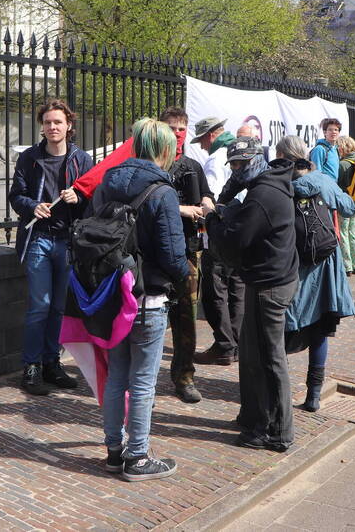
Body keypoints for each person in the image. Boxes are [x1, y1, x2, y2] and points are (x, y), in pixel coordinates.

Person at [91, 117, 189, 481]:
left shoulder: (105, 185)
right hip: (148, 296)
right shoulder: (162, 192)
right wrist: (182, 277)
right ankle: (137, 458)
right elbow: (173, 254)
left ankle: (114, 452)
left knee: (117, 375)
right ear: (163, 150)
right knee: (144, 381)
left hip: (114, 296)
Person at [205, 137, 299, 452]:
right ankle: (254, 417)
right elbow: (235, 200)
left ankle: (276, 431)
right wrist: (224, 198)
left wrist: (212, 218)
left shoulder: (262, 195)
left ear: (256, 160)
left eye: (242, 164)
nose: (237, 170)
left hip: (268, 285)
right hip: (271, 278)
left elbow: (233, 245)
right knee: (253, 355)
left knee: (269, 359)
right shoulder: (271, 180)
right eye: (233, 164)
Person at [8, 100, 94, 396]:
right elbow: (16, 196)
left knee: (58, 307)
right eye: (47, 122)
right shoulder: (30, 158)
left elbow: (95, 200)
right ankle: (30, 366)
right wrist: (34, 206)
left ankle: (51, 362)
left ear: (69, 125)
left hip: (68, 241)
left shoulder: (82, 160)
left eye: (58, 122)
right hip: (39, 240)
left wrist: (78, 200)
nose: (52, 127)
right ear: (41, 126)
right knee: (39, 306)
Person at [275, 136, 355, 412]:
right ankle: (314, 395)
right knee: (321, 326)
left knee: (284, 327)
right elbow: (350, 208)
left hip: (296, 263)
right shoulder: (322, 180)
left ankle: (278, 392)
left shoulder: (282, 186)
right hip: (326, 262)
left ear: (283, 156)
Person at [160, 107, 216, 403]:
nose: (177, 133)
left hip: (188, 251)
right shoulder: (151, 164)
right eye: (171, 127)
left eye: (181, 128)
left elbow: (207, 195)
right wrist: (180, 209)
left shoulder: (193, 166)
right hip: (155, 255)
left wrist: (207, 203)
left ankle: (184, 376)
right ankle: (142, 376)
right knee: (150, 317)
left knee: (186, 317)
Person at [191, 115, 245, 366]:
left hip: (221, 231)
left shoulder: (216, 158)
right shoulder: (241, 152)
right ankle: (235, 342)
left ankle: (224, 345)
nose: (202, 146)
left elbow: (210, 200)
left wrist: (203, 217)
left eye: (202, 140)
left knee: (215, 289)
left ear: (210, 135)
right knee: (237, 288)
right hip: (242, 230)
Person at [336, 135, 355, 276]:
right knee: (352, 231)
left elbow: (337, 184)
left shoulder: (343, 164)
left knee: (343, 232)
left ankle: (347, 266)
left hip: (344, 200)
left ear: (342, 147)